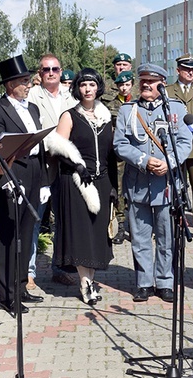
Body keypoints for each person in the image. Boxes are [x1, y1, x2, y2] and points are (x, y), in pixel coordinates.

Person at [113, 64, 192, 303]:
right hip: (138, 184)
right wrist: (145, 160)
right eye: (143, 81)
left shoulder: (176, 108)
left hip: (166, 185)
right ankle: (144, 282)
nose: (146, 85)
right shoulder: (128, 110)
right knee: (140, 237)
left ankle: (165, 281)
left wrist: (169, 163)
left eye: (152, 81)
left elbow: (185, 142)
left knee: (166, 237)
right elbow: (120, 144)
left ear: (162, 84)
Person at [46, 69, 117, 305]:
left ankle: (91, 279)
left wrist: (114, 188)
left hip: (102, 180)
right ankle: (85, 284)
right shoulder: (70, 116)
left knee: (97, 234)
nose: (88, 89)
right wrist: (76, 166)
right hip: (77, 182)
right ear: (77, 88)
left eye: (92, 84)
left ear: (99, 87)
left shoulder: (106, 117)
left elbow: (110, 155)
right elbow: (57, 147)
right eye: (84, 85)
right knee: (81, 235)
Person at [0, 55, 46, 316]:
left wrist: (43, 181)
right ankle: (6, 295)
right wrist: (7, 178)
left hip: (32, 170)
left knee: (27, 230)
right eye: (24, 81)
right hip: (10, 173)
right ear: (10, 85)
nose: (29, 84)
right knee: (8, 234)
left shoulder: (32, 109)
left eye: (29, 80)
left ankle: (20, 286)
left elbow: (39, 146)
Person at [27, 53, 78, 287]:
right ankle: (29, 272)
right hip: (42, 165)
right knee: (35, 218)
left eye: (54, 69)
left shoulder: (71, 96)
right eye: (45, 69)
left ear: (60, 71)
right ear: (40, 73)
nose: (50, 73)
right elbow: (32, 129)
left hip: (66, 168)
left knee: (64, 220)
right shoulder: (32, 96)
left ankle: (59, 267)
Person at [166, 55, 193, 242]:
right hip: (175, 147)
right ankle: (175, 220)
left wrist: (191, 130)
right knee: (175, 187)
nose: (191, 72)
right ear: (178, 71)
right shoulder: (168, 91)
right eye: (186, 69)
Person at [102, 53, 140, 245]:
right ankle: (120, 225)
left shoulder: (140, 99)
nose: (124, 87)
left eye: (125, 64)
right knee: (117, 189)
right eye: (119, 65)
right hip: (117, 153)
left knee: (136, 188)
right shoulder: (107, 98)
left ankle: (136, 227)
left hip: (137, 152)